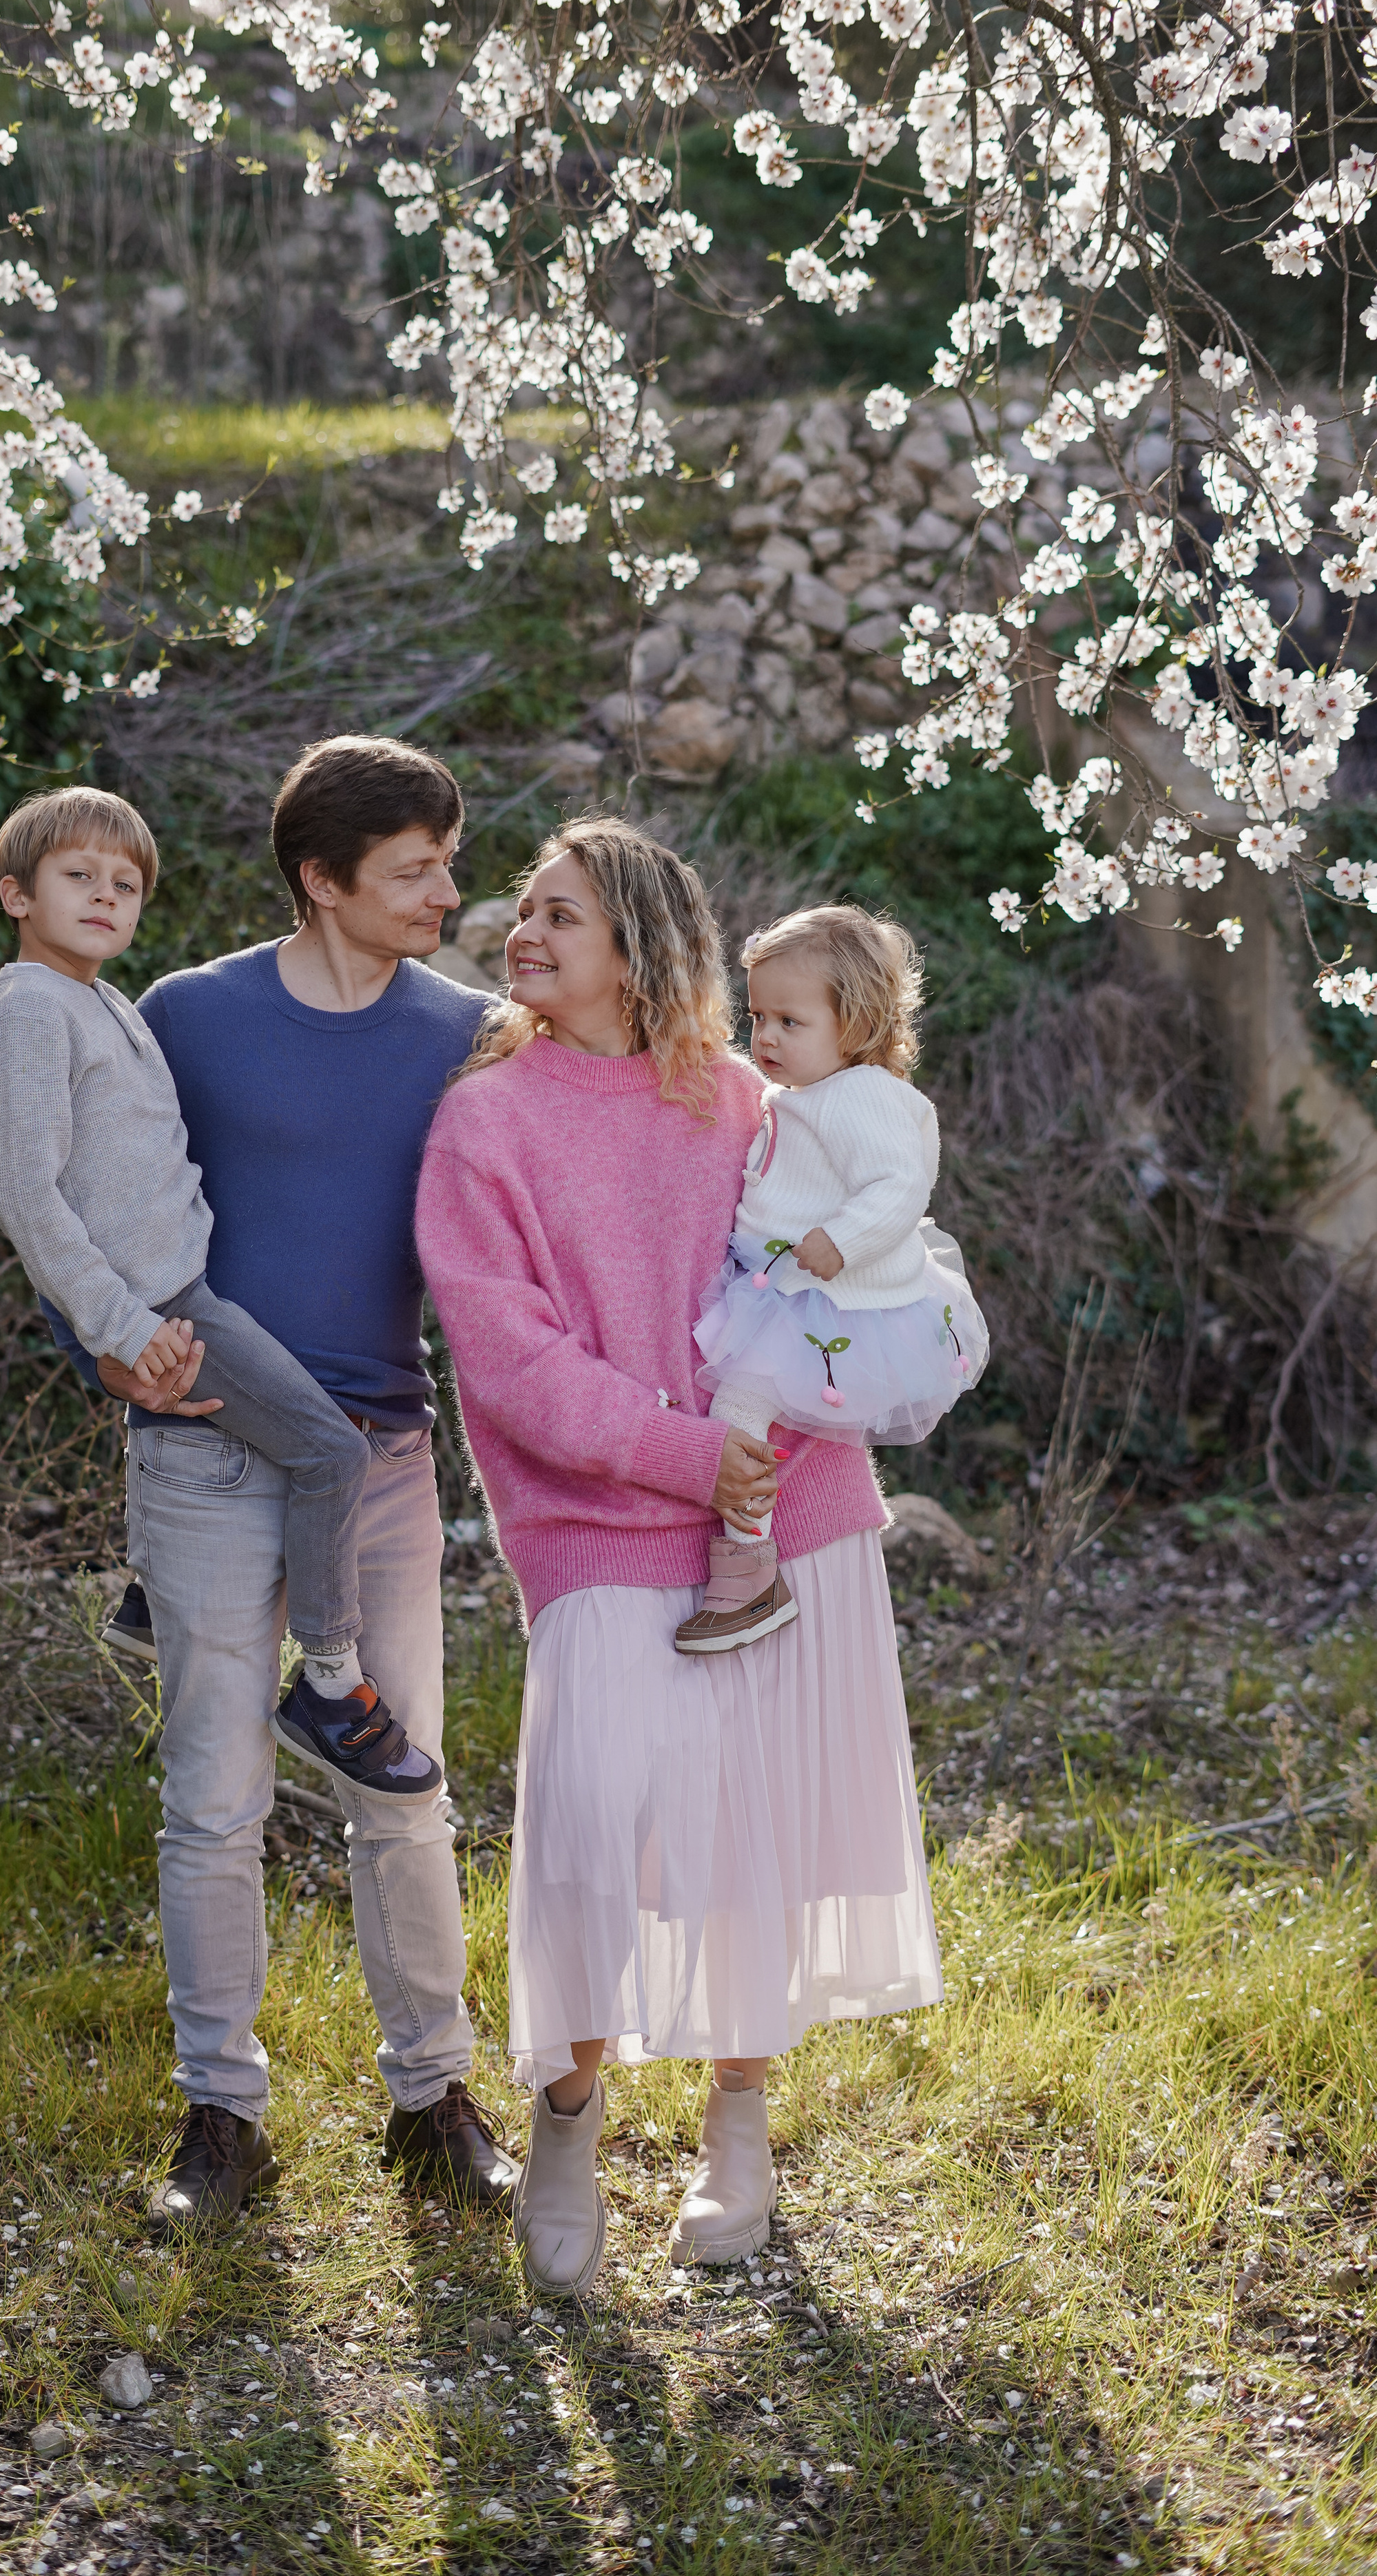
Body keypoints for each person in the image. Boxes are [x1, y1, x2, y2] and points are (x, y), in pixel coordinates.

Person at [415, 817, 943, 2296]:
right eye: (520, 910)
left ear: (641, 943)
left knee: (752, 1835)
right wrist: (676, 1452)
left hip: (790, 1513)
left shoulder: (745, 1098)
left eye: (558, 913)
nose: (521, 933)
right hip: (599, 1524)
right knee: (594, 1833)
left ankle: (737, 2122)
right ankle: (570, 2117)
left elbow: (863, 1243)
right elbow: (509, 1366)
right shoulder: (487, 1123)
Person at [39, 737, 519, 2228]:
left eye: (448, 859)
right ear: (322, 883)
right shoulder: (184, 1017)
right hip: (195, 1453)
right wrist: (99, 1355)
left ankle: (432, 2098)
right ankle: (219, 2121)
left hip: (376, 1459)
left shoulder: (471, 1031)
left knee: (403, 1790)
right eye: (415, 870)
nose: (447, 890)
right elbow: (73, 1188)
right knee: (214, 1803)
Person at [0, 786, 437, 1796]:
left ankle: (151, 1602)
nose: (105, 897)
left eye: (126, 884)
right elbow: (27, 1199)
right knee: (328, 1454)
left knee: (290, 1442)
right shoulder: (26, 1017)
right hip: (169, 1307)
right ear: (15, 893)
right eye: (77, 877)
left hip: (182, 1289)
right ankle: (329, 1682)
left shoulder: (102, 1004)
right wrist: (122, 1331)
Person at [674, 903, 989, 1655]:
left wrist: (839, 1241)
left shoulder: (864, 1095)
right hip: (778, 1286)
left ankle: (749, 1564)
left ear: (853, 1026)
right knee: (745, 1406)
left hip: (827, 1295)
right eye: (758, 1018)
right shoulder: (796, 1093)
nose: (767, 1038)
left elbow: (897, 1185)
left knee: (739, 1407)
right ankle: (758, 1548)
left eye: (791, 1021)